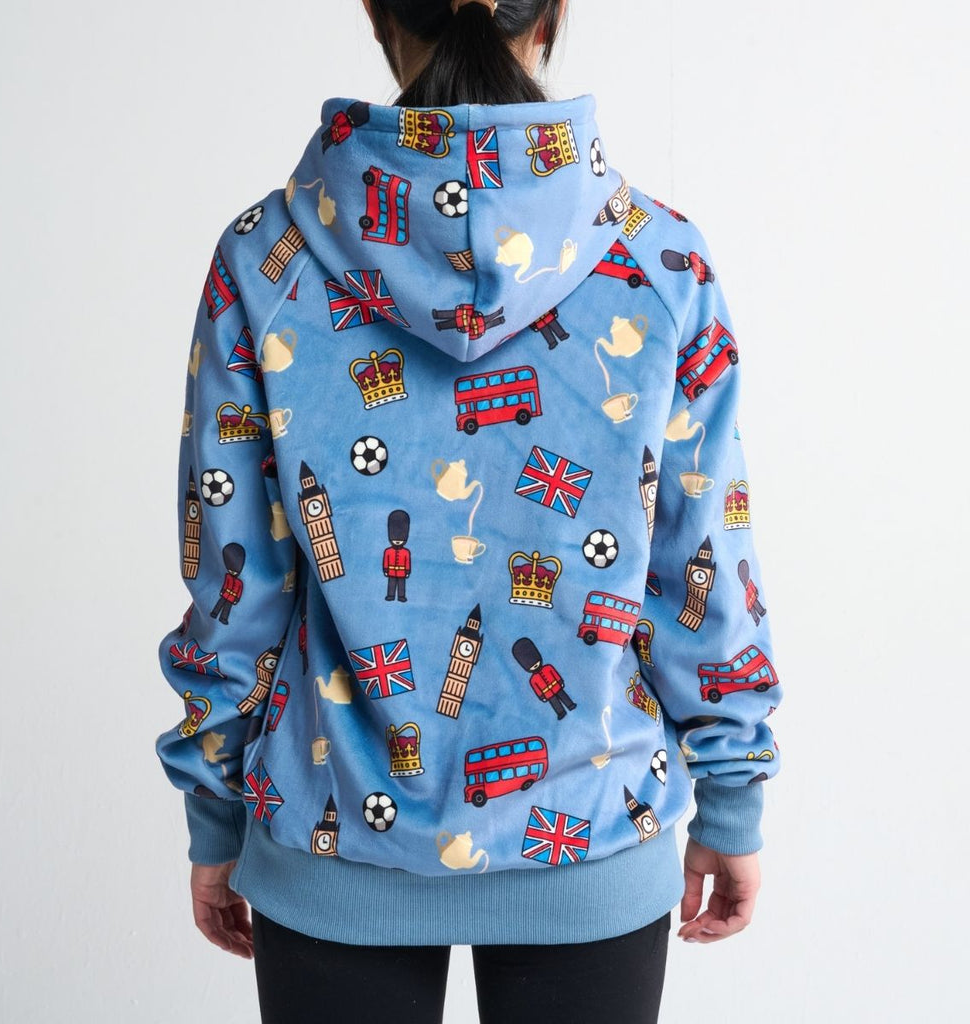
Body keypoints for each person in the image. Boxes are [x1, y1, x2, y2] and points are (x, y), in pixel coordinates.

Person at [153, 0, 784, 1020]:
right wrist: (733, 791)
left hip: (330, 837)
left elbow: (234, 576)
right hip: (592, 829)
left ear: (375, 10)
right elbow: (701, 560)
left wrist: (216, 808)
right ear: (553, 13)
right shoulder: (662, 263)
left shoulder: (263, 260)